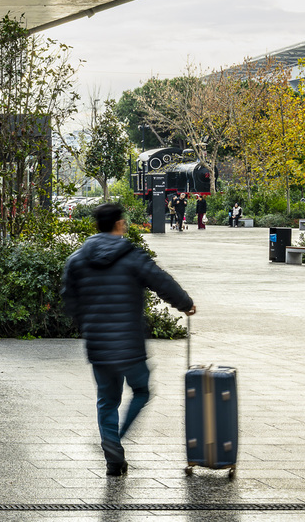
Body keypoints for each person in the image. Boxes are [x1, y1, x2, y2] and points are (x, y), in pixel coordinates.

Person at [62, 201, 197, 477]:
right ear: (119, 224)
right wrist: (185, 304)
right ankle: (116, 440)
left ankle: (113, 458)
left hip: (98, 344)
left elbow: (69, 298)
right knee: (142, 390)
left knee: (107, 401)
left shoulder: (77, 259)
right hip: (129, 344)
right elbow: (162, 282)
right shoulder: (133, 256)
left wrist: (86, 324)